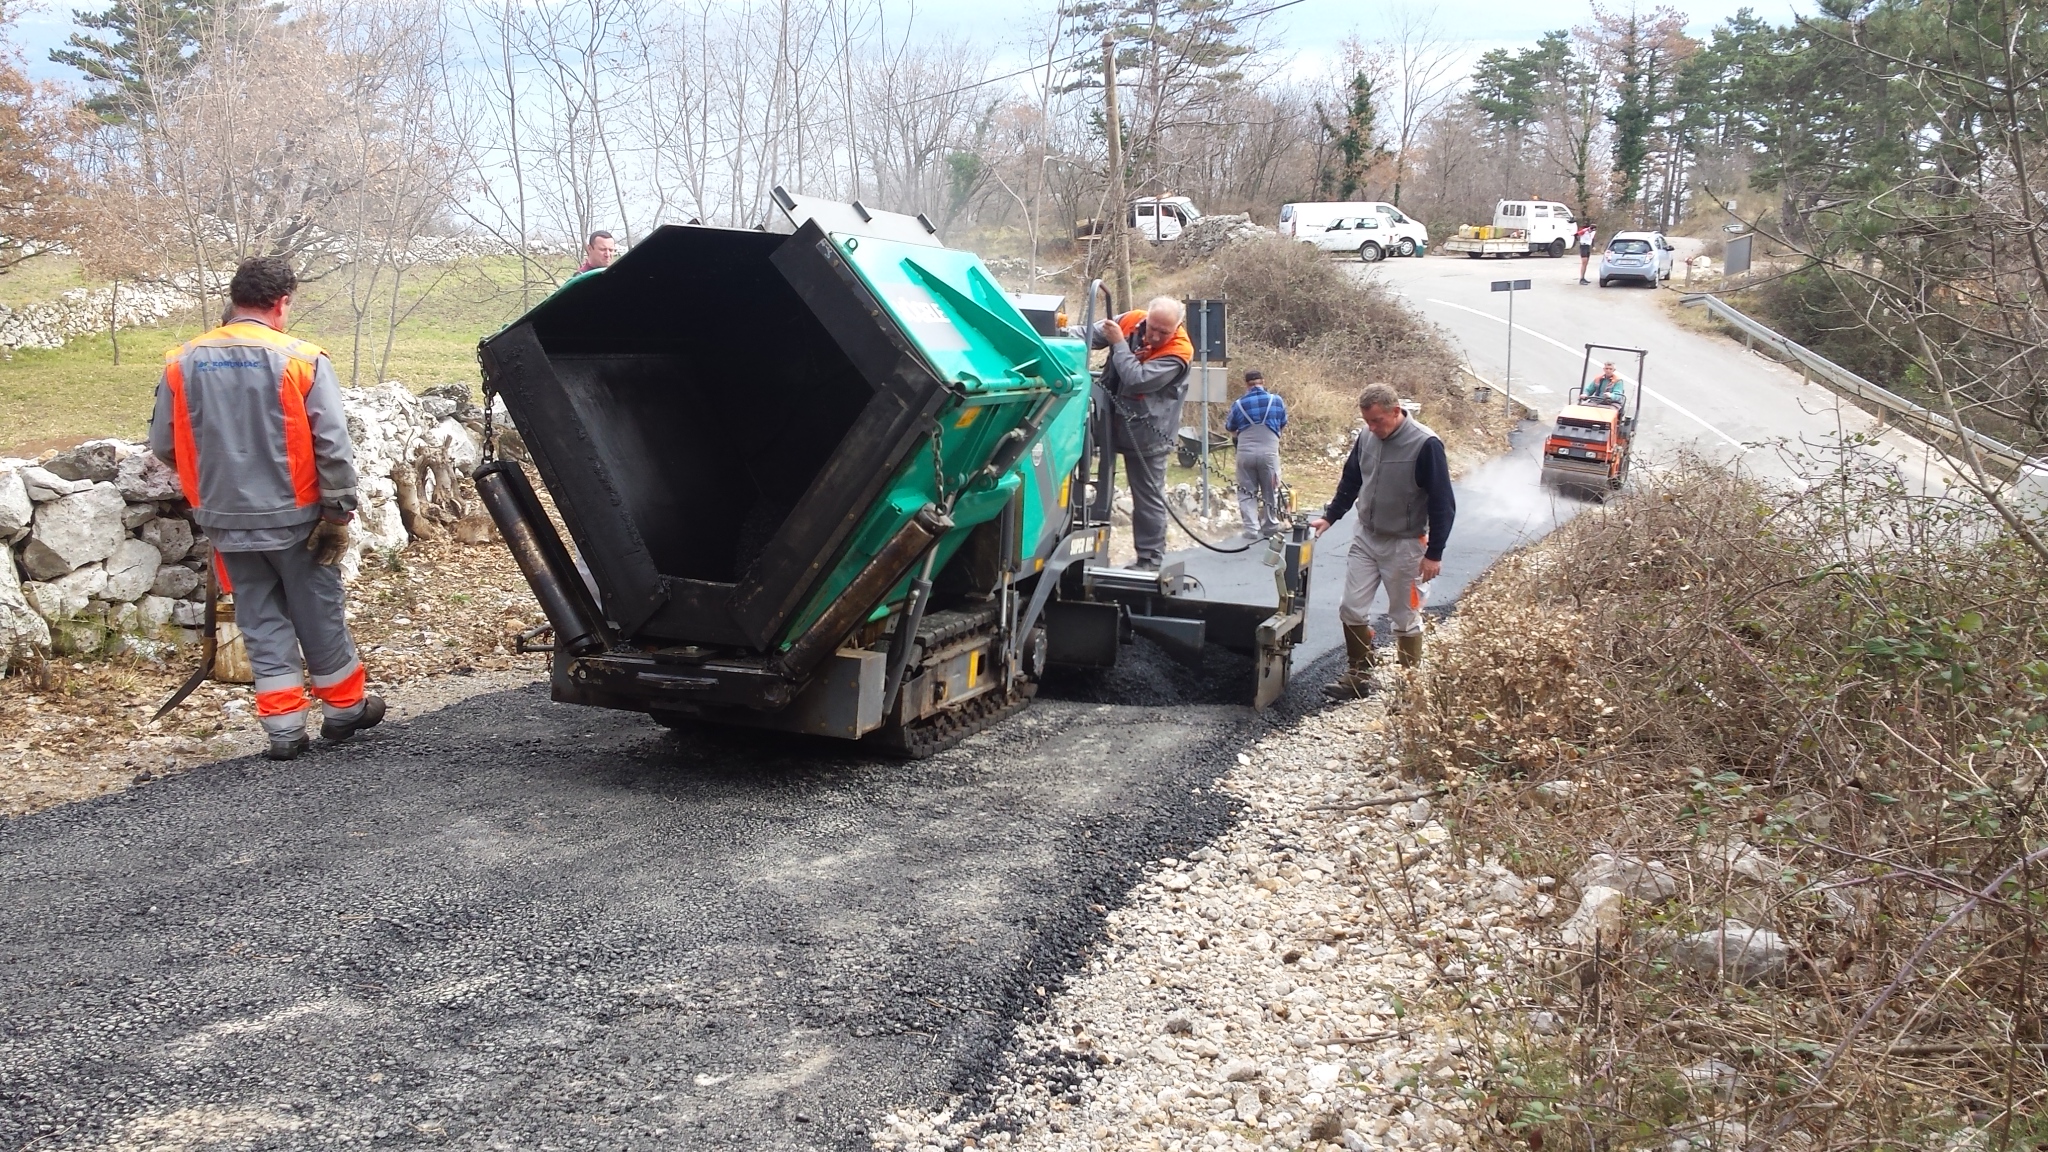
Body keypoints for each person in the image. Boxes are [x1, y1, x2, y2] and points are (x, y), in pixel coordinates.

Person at [148, 257, 385, 761]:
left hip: (223, 517)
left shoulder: (182, 361)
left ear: (235, 299)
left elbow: (163, 442)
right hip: (295, 515)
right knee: (317, 609)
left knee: (258, 617)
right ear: (282, 303)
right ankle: (343, 709)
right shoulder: (302, 359)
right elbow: (333, 445)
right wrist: (338, 512)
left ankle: (283, 728)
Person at [1309, 383, 1455, 699]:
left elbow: (1443, 502)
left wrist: (1434, 553)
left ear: (1395, 410)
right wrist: (1331, 516)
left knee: (1404, 617)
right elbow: (1351, 480)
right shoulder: (1366, 438)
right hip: (1366, 536)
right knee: (1351, 607)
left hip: (1405, 544)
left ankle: (1408, 689)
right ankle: (1359, 673)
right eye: (1367, 421)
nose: (1372, 428)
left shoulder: (1425, 444)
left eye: (1377, 421)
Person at [1067, 296, 1194, 570]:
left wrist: (1119, 344)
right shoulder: (1129, 320)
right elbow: (1089, 333)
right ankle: (1068, 539)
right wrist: (1057, 335)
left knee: (1147, 498)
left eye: (1164, 332)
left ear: (1178, 328)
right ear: (1146, 318)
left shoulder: (1178, 352)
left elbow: (1137, 379)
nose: (1156, 336)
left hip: (1149, 434)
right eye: (1153, 328)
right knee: (1070, 464)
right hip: (1107, 421)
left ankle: (1149, 560)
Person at [1225, 369, 1288, 538]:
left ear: (1246, 385)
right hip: (1269, 454)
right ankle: (1269, 526)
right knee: (1270, 490)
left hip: (1245, 453)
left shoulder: (1238, 404)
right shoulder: (1276, 401)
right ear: (1263, 381)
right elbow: (1282, 424)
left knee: (1246, 492)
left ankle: (1251, 529)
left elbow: (1230, 428)